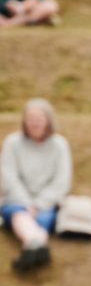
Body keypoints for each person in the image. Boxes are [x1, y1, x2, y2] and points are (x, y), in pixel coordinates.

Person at [1, 99, 70, 274]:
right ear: (24, 121)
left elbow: (62, 181)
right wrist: (26, 204)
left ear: (48, 120)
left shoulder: (60, 145)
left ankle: (30, 250)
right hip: (16, 200)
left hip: (46, 204)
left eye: (39, 117)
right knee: (19, 214)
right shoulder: (12, 143)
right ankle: (37, 246)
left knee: (42, 220)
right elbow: (8, 177)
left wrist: (39, 204)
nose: (35, 122)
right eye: (31, 118)